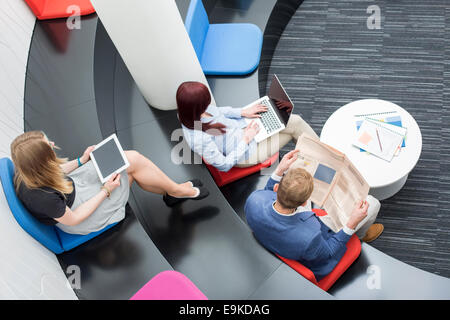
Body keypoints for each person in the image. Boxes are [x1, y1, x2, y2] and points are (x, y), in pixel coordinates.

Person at [11, 131, 209, 235]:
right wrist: (106, 190)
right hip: (78, 211)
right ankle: (176, 191)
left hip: (72, 187)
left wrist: (82, 160)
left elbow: (55, 172)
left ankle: (174, 191)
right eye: (49, 146)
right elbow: (75, 219)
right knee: (131, 170)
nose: (53, 145)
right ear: (42, 160)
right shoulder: (43, 198)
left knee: (131, 160)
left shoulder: (27, 171)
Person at [245, 150, 384, 281]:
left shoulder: (253, 200)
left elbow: (266, 194)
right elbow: (329, 252)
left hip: (281, 237)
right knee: (373, 204)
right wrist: (351, 224)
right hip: (313, 252)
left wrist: (279, 170)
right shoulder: (310, 235)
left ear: (276, 188)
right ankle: (358, 235)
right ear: (305, 202)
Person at [176, 81, 318, 172]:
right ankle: (320, 158)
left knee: (296, 121)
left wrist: (243, 112)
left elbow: (219, 111)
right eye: (205, 104)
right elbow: (224, 165)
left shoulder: (189, 111)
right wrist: (246, 139)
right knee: (293, 131)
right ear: (197, 107)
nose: (208, 106)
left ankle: (320, 155)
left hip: (245, 129)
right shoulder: (199, 139)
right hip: (246, 153)